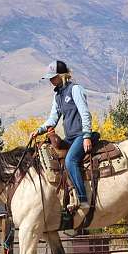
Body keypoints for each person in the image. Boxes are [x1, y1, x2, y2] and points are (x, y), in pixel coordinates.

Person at [31, 60, 95, 211]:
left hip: (80, 135)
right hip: (70, 137)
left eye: (53, 77)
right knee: (55, 157)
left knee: (71, 160)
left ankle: (82, 199)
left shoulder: (75, 89)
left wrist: (86, 135)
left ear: (62, 75)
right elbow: (53, 119)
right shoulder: (58, 95)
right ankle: (66, 196)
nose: (51, 81)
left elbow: (85, 113)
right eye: (50, 78)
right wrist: (39, 130)